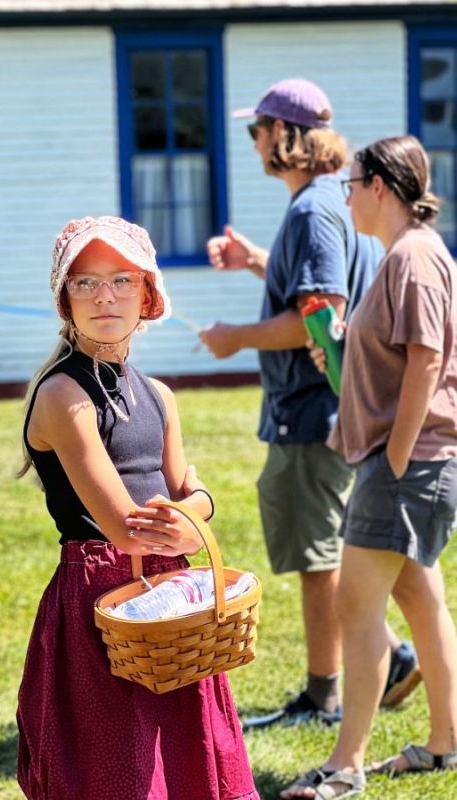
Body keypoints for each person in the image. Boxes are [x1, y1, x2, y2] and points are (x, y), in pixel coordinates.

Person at [198, 79, 420, 730]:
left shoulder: (312, 211)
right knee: (339, 556)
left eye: (259, 129)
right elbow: (312, 286)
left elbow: (319, 316)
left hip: (311, 415)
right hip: (322, 414)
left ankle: (326, 698)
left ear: (289, 137)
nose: (255, 142)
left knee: (320, 562)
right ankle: (391, 662)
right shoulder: (327, 203)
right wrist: (253, 264)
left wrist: (235, 338)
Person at [16, 216, 258, 800]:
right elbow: (127, 529)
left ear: (147, 295)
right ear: (63, 298)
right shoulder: (61, 395)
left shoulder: (159, 396)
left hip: (172, 608)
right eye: (86, 283)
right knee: (118, 771)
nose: (105, 296)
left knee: (185, 763)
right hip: (103, 604)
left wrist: (190, 514)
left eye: (122, 280)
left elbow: (194, 494)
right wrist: (185, 519)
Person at [281, 135, 457, 798]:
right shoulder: (409, 255)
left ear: (380, 186)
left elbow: (426, 360)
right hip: (411, 462)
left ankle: (345, 765)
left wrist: (400, 453)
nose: (345, 193)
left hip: (406, 464)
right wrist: (345, 353)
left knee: (356, 605)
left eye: (352, 182)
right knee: (419, 599)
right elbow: (400, 354)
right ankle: (445, 746)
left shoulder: (411, 256)